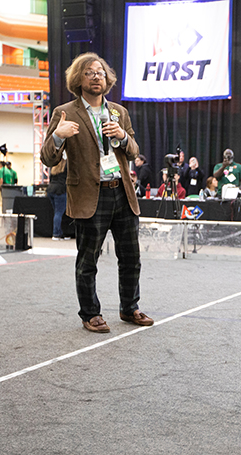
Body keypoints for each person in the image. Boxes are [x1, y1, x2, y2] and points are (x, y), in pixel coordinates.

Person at [40, 52, 153, 333]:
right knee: (88, 259)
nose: (96, 76)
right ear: (79, 78)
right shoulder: (64, 112)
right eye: (89, 72)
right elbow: (48, 159)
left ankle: (130, 308)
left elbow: (134, 151)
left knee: (131, 258)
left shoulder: (118, 112)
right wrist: (58, 135)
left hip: (122, 193)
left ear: (107, 78)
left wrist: (123, 137)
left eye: (100, 72)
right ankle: (90, 313)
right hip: (91, 196)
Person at [47, 157, 69, 240]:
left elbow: (50, 179)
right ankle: (56, 233)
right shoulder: (66, 166)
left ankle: (59, 232)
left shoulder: (54, 167)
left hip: (51, 190)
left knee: (56, 213)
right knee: (59, 213)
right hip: (61, 190)